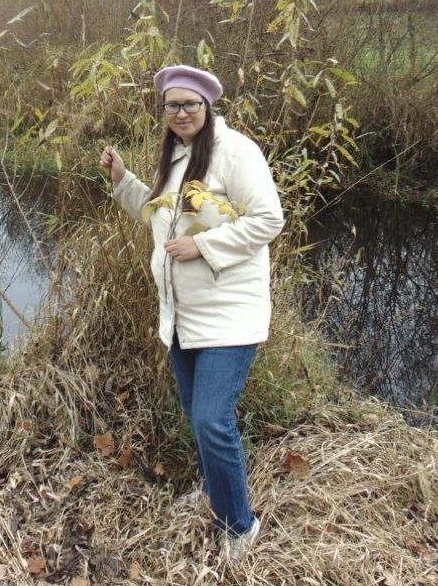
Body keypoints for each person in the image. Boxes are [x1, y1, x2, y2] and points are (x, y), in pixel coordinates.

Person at [99, 64, 284, 562]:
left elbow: (269, 218)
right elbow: (156, 215)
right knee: (196, 413)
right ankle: (215, 491)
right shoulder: (175, 156)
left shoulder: (236, 152)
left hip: (229, 313)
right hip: (181, 314)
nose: (181, 113)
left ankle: (240, 524)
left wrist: (204, 246)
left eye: (190, 105)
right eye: (172, 106)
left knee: (210, 417)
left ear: (208, 106)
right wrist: (124, 180)